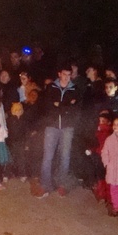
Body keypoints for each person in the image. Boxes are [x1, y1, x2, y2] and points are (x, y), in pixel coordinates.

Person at [35, 64, 79, 198]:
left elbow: (74, 109)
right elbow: (47, 106)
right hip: (51, 126)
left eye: (69, 75)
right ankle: (45, 185)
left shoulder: (74, 89)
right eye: (64, 74)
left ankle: (62, 184)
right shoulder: (51, 87)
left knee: (65, 157)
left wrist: (59, 105)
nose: (66, 77)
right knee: (47, 156)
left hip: (67, 126)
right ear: (59, 74)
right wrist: (65, 105)